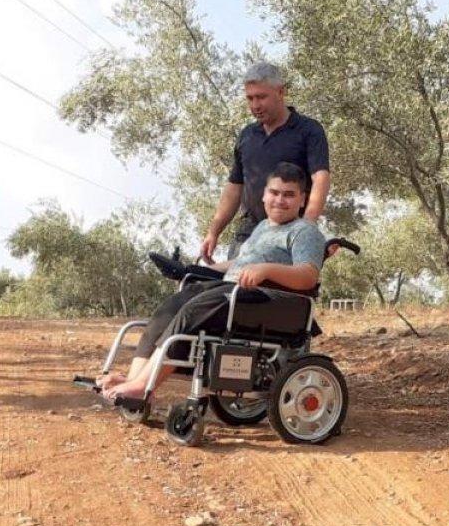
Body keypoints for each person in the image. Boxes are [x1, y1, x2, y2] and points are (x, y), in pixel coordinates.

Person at [99, 162, 327, 401]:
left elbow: (308, 275)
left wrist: (266, 269)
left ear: (302, 199)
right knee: (171, 306)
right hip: (233, 291)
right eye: (274, 192)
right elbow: (238, 264)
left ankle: (144, 386)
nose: (280, 200)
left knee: (193, 311)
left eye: (289, 195)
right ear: (264, 195)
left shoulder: (304, 231)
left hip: (266, 300)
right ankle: (135, 380)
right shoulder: (262, 227)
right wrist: (193, 269)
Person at [200, 62, 330, 263]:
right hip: (249, 232)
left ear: (280, 92)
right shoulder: (247, 135)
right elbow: (234, 188)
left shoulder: (308, 130)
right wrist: (213, 232)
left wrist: (306, 226)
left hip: (288, 231)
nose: (255, 105)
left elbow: (320, 179)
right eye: (250, 98)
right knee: (229, 287)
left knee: (267, 291)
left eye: (261, 97)